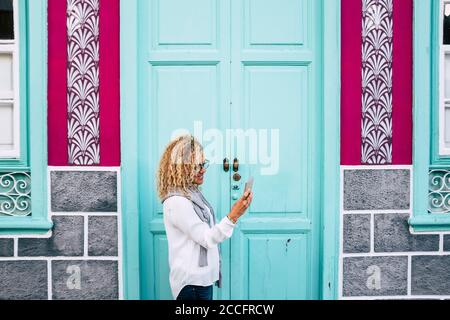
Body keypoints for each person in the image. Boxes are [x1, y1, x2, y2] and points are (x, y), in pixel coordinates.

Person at [156, 135, 254, 300]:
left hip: (200, 281)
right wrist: (233, 216)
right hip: (192, 284)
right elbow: (207, 238)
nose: (203, 169)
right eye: (197, 165)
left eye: (203, 164)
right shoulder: (177, 201)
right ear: (182, 167)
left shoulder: (192, 194)